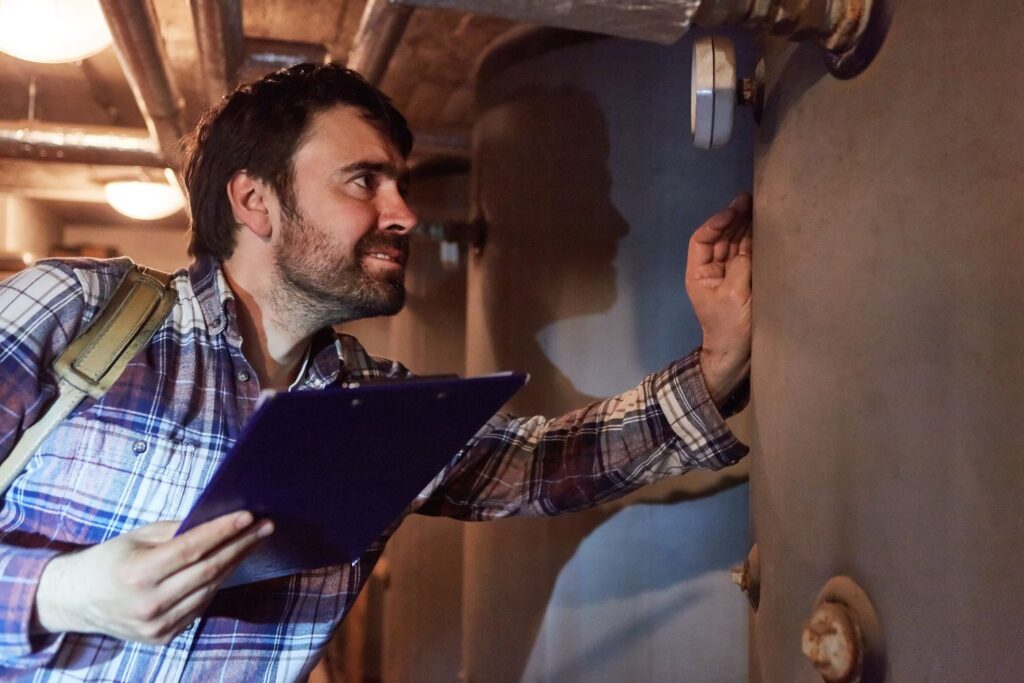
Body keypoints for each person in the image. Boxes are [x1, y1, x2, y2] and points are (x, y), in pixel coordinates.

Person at [0, 63, 752, 680]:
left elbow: (540, 465)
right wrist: (60, 594)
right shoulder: (77, 311)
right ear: (255, 201)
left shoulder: (376, 409)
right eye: (364, 181)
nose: (405, 214)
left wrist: (717, 366)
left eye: (400, 185)